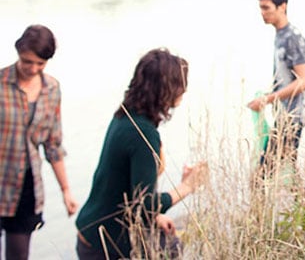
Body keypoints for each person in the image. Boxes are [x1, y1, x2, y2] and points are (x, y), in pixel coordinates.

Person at [75, 48, 207, 260]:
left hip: (92, 231)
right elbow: (143, 205)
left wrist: (155, 217)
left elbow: (125, 189)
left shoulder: (124, 116)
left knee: (171, 246)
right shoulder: (143, 133)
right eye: (181, 84)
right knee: (173, 248)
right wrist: (187, 187)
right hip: (104, 245)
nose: (185, 90)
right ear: (167, 89)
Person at [0, 24, 79, 260]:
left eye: (40, 64)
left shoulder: (52, 89)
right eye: (27, 62)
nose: (33, 69)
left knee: (19, 255)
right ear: (18, 52)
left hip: (25, 188)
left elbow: (53, 145)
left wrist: (66, 191)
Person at [247, 0, 305, 177]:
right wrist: (267, 96)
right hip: (284, 115)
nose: (262, 13)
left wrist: (269, 99)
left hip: (292, 118)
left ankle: (304, 204)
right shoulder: (280, 35)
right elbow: (285, 79)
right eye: (260, 8)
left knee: (262, 174)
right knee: (289, 171)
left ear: (282, 7)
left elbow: (304, 81)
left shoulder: (293, 38)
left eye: (266, 8)